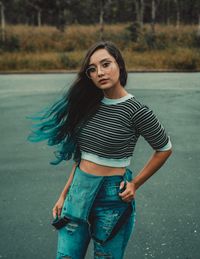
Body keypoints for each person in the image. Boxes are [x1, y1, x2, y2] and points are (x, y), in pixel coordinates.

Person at [28, 41, 172, 259]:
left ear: (119, 66)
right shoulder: (90, 105)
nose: (100, 73)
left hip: (112, 198)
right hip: (78, 192)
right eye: (92, 69)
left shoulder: (137, 111)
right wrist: (63, 194)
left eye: (106, 64)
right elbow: (82, 158)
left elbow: (164, 148)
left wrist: (135, 184)